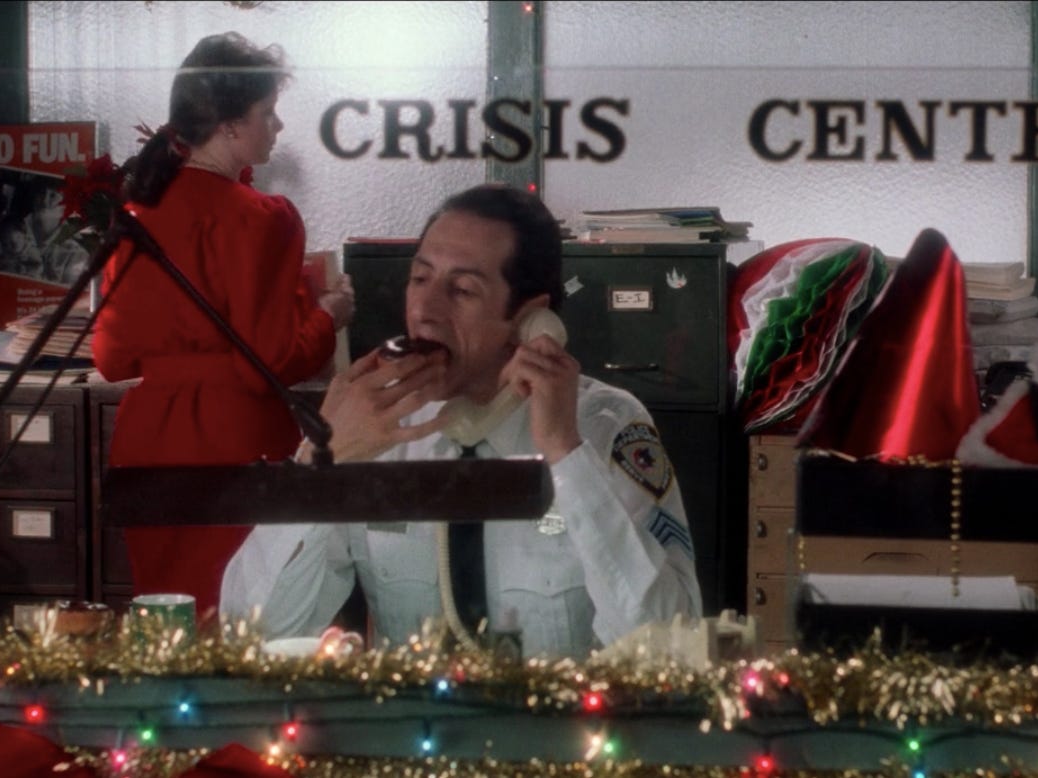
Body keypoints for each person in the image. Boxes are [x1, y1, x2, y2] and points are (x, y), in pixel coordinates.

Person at [220, 184, 701, 658]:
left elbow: (668, 647)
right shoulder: (376, 429)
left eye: (463, 290)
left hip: (558, 733)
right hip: (409, 731)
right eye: (420, 278)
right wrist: (317, 468)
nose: (425, 312)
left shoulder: (606, 426)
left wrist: (567, 457)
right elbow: (251, 633)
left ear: (530, 318)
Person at [92, 32, 355, 626]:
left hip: (147, 441)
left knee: (167, 626)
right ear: (232, 126)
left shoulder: (138, 211)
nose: (278, 127)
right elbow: (272, 363)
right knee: (242, 619)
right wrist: (330, 315)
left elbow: (111, 359)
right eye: (268, 113)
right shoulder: (264, 219)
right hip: (233, 437)